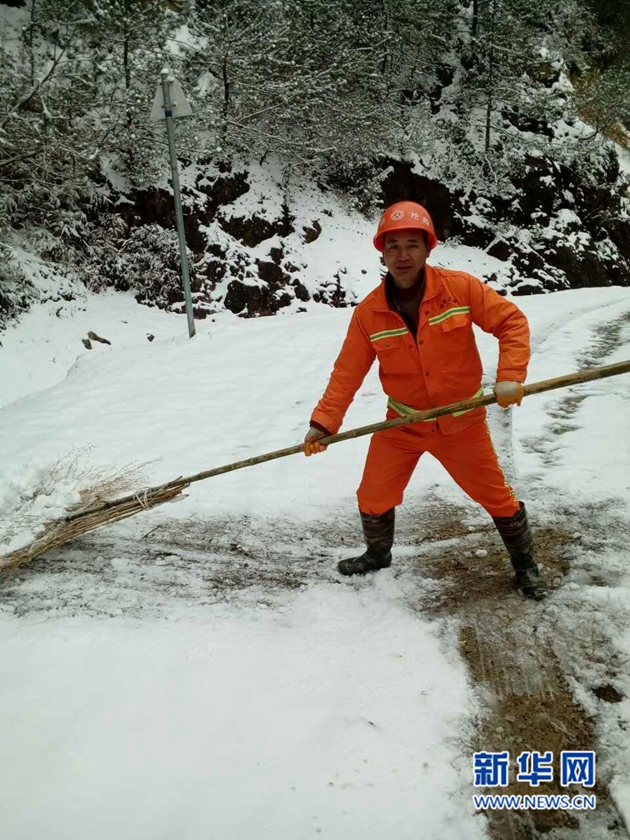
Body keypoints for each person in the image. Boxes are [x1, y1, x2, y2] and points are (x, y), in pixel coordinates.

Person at [303, 200, 547, 601]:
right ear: (382, 252)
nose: (403, 256)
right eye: (393, 246)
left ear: (428, 248)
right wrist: (323, 424)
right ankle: (377, 554)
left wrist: (510, 376)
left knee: (497, 498)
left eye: (412, 245)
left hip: (462, 422)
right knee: (373, 495)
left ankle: (526, 566)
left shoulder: (460, 288)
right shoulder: (369, 313)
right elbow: (347, 372)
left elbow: (511, 322)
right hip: (403, 424)